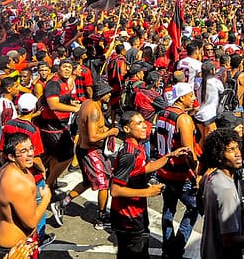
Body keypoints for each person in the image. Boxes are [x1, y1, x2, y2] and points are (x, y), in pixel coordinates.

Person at [111, 110, 190, 259]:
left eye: (144, 122)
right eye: (139, 123)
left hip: (137, 211)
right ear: (127, 129)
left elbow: (145, 168)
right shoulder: (128, 155)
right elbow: (115, 190)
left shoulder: (138, 146)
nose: (145, 126)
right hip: (127, 216)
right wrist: (148, 192)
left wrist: (170, 156)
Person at [51, 79, 118, 229]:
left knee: (87, 182)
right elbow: (93, 137)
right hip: (91, 152)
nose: (109, 95)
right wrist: (110, 132)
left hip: (84, 150)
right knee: (104, 183)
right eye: (107, 93)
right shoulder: (93, 110)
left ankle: (62, 203)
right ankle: (101, 218)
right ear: (100, 94)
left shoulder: (88, 103)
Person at [199, 128, 244, 259]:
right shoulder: (227, 190)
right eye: (230, 150)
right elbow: (230, 242)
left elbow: (219, 213)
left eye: (237, 147)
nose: (238, 153)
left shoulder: (212, 177)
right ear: (218, 155)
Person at [0, 133, 50, 259]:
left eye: (31, 148)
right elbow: (31, 223)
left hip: (3, 243)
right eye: (24, 151)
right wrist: (46, 199)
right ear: (11, 156)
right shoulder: (18, 184)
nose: (30, 154)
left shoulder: (5, 169)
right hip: (12, 250)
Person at [155, 82, 199, 258]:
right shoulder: (183, 119)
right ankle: (177, 247)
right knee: (194, 207)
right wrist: (196, 175)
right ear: (182, 98)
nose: (194, 98)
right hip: (180, 174)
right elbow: (189, 153)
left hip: (164, 170)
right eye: (191, 95)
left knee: (168, 208)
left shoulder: (162, 113)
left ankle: (168, 247)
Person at [35, 59, 80, 189]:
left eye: (69, 67)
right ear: (58, 69)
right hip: (52, 125)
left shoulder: (64, 83)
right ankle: (48, 184)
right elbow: (53, 104)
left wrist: (73, 103)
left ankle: (49, 181)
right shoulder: (54, 84)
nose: (67, 69)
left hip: (59, 124)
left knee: (53, 155)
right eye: (65, 67)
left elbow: (62, 100)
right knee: (68, 155)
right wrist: (74, 109)